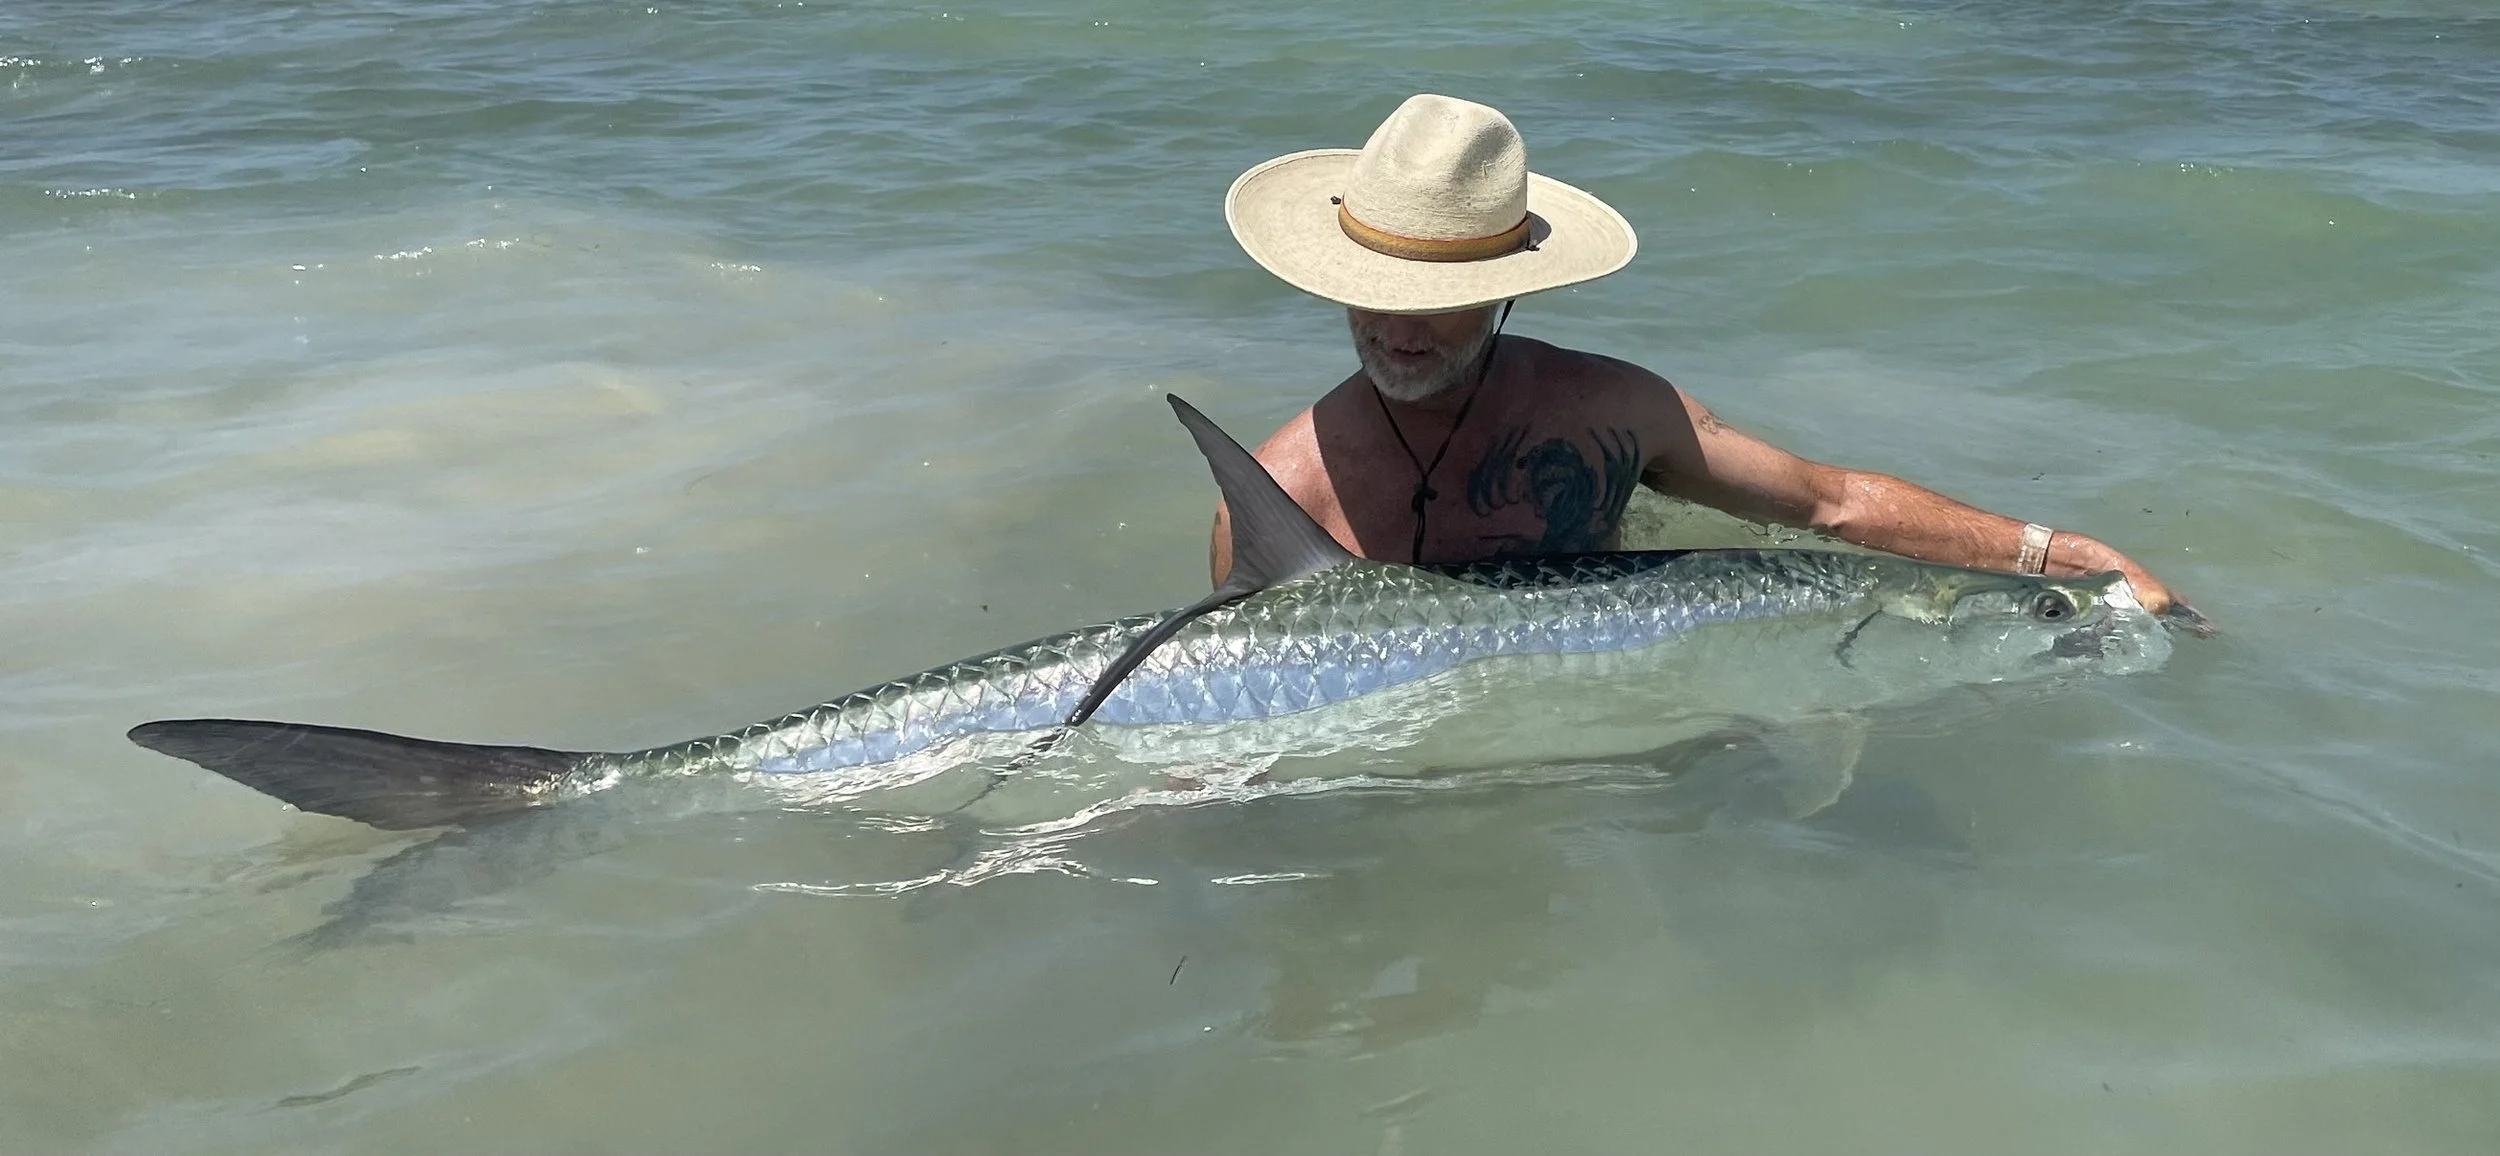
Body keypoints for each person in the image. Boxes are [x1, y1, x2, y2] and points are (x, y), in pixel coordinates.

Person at [1210, 93, 2185, 616]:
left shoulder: (1614, 413)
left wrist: (2059, 555)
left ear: (1509, 286)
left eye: (1438, 298)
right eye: (1371, 293)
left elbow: (1828, 504)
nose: (1396, 329)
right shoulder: (1282, 493)